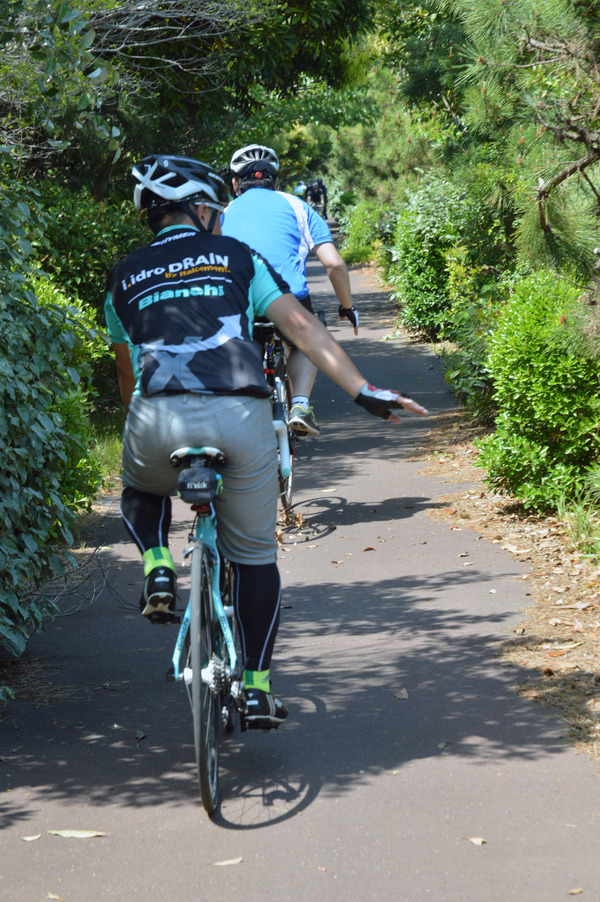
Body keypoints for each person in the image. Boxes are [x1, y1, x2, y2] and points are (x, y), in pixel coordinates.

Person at [104, 154, 428, 729]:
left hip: (157, 421)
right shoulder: (238, 258)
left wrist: (147, 420)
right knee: (255, 558)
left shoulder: (123, 275)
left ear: (150, 216)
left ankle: (157, 563)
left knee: (141, 485)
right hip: (239, 417)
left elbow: (130, 378)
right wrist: (362, 391)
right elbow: (302, 328)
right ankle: (255, 686)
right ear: (204, 209)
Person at [222, 144, 358, 437]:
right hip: (287, 299)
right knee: (308, 339)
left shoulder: (223, 214)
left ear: (235, 184)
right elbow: (334, 265)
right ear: (275, 181)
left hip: (237, 301)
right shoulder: (298, 206)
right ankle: (299, 405)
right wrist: (347, 307)